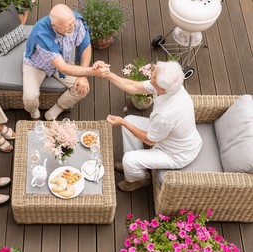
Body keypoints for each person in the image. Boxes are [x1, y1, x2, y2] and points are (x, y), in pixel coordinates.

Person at [104, 61, 202, 191]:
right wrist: (108, 75)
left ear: (162, 88)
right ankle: (133, 166)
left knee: (128, 156)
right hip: (170, 137)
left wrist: (122, 123)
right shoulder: (174, 87)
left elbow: (149, 140)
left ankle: (140, 179)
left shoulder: (165, 115)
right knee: (130, 121)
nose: (151, 73)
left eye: (154, 76)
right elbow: (133, 86)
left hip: (176, 154)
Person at [23, 4, 110, 120]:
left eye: (73, 23)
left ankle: (54, 111)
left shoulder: (76, 21)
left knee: (82, 89)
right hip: (37, 65)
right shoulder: (42, 34)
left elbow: (86, 46)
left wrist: (83, 76)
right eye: (68, 26)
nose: (73, 27)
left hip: (63, 59)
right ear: (54, 25)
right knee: (29, 98)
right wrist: (94, 72)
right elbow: (62, 67)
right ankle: (34, 113)